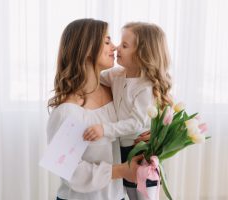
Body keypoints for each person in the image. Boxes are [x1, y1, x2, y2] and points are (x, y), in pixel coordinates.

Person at [47, 18, 142, 200]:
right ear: (87, 49)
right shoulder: (67, 111)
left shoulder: (114, 92)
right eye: (107, 41)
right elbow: (69, 171)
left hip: (118, 196)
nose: (114, 47)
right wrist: (121, 171)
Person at [83, 22, 173, 200]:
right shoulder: (117, 75)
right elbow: (92, 76)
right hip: (122, 152)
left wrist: (104, 129)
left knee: (144, 194)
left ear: (142, 55)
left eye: (124, 45)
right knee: (128, 193)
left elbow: (135, 124)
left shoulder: (146, 86)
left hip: (141, 152)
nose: (116, 47)